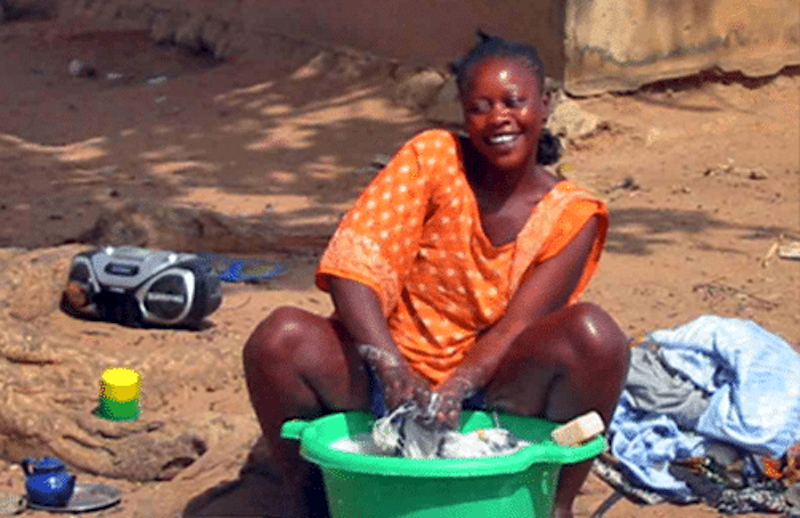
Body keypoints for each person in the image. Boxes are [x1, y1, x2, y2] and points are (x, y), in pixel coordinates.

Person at [243, 32, 630, 518]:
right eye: (480, 107)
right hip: (384, 372)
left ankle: (554, 504)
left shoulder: (573, 214)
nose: (499, 119)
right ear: (463, 114)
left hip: (492, 387)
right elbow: (354, 265)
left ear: (545, 106)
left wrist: (455, 386)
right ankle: (309, 501)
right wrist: (391, 367)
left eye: (515, 102)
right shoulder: (433, 158)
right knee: (279, 338)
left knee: (595, 336)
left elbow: (516, 327)